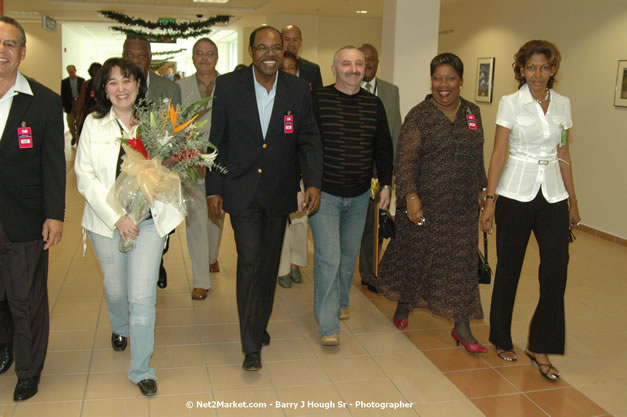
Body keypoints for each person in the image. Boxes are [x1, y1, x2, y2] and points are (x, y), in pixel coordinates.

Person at [206, 26, 322, 371]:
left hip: (278, 190)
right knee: (250, 261)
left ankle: (257, 323)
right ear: (251, 51)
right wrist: (213, 188)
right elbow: (217, 141)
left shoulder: (298, 90)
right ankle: (250, 345)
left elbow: (309, 139)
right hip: (240, 189)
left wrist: (312, 182)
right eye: (262, 48)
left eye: (275, 48)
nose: (270, 54)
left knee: (270, 265)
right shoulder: (228, 86)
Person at [75, 58, 184, 396]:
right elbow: (85, 177)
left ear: (138, 85)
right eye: (112, 82)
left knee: (142, 295)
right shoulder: (94, 125)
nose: (121, 88)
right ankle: (119, 325)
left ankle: (141, 369)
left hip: (149, 223)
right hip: (105, 223)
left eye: (127, 80)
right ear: (104, 90)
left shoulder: (155, 125)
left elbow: (170, 173)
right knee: (116, 290)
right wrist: (117, 218)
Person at [372, 53, 488, 354]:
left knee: (462, 264)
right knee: (417, 256)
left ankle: (462, 325)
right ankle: (404, 302)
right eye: (437, 78)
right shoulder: (419, 115)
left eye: (450, 78)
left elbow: (477, 156)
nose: (443, 85)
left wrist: (483, 189)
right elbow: (405, 160)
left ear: (461, 81)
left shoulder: (472, 113)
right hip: (424, 204)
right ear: (431, 81)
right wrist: (410, 196)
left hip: (463, 206)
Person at [480, 40, 580, 380]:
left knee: (556, 269)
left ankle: (540, 345)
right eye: (532, 67)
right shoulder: (511, 103)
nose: (538, 74)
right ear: (521, 70)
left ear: (553, 70)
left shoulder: (563, 104)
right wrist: (490, 199)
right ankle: (501, 337)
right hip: (514, 192)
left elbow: (563, 152)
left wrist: (572, 199)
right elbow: (498, 153)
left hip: (552, 193)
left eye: (545, 67)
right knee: (510, 266)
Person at [0, 16, 66, 402]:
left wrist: (54, 214)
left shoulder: (43, 102)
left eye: (10, 44)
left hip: (25, 219)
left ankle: (29, 370)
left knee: (25, 298)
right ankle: (4, 346)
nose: (2, 51)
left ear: (22, 53)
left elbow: (54, 164)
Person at [310, 46, 393, 346]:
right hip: (324, 195)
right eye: (346, 64)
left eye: (358, 64)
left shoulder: (374, 105)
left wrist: (386, 184)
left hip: (359, 195)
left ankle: (340, 298)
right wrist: (302, 183)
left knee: (347, 258)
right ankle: (328, 323)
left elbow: (384, 148)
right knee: (329, 258)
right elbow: (305, 145)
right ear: (334, 69)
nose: (354, 69)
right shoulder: (317, 100)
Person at [123, 34, 182, 288]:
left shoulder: (169, 89)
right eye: (130, 55)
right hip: (123, 172)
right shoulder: (114, 86)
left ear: (149, 58)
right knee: (131, 225)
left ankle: (157, 261)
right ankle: (137, 270)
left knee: (160, 227)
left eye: (141, 55)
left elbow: (176, 132)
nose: (136, 61)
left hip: (158, 172)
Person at [177, 38, 224, 300]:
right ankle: (200, 280)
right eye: (199, 54)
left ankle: (212, 257)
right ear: (193, 58)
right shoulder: (180, 88)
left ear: (216, 58)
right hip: (190, 162)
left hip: (219, 163)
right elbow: (171, 123)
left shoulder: (229, 86)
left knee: (216, 215)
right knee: (195, 217)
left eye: (209, 53)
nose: (204, 58)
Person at [357, 43, 402, 292]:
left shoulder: (390, 91)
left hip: (379, 172)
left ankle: (370, 273)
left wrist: (392, 170)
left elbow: (397, 129)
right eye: (363, 60)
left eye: (372, 59)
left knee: (375, 224)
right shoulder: (348, 88)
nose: (368, 64)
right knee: (354, 224)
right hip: (353, 171)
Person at [276, 51, 309, 288]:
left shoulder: (303, 94)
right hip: (277, 168)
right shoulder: (270, 93)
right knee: (281, 222)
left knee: (300, 221)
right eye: (283, 67)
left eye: (291, 68)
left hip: (300, 167)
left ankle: (297, 263)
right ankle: (282, 268)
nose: (287, 72)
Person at [281, 25, 323, 90]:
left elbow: (318, 97)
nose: (291, 44)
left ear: (300, 42)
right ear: (280, 41)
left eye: (295, 39)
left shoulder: (313, 70)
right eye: (287, 39)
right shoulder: (274, 67)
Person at [76, 62, 102, 137]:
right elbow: (81, 99)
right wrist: (78, 114)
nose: (96, 72)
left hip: (101, 111)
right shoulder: (86, 84)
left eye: (98, 70)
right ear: (90, 71)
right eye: (94, 70)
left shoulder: (104, 84)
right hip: (88, 110)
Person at [61, 64, 84, 145]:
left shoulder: (82, 81)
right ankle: (73, 136)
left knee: (79, 121)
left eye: (72, 71)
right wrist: (62, 105)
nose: (70, 73)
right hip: (69, 104)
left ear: (75, 70)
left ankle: (78, 138)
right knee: (70, 123)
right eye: (69, 71)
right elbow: (63, 94)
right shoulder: (64, 82)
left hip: (79, 102)